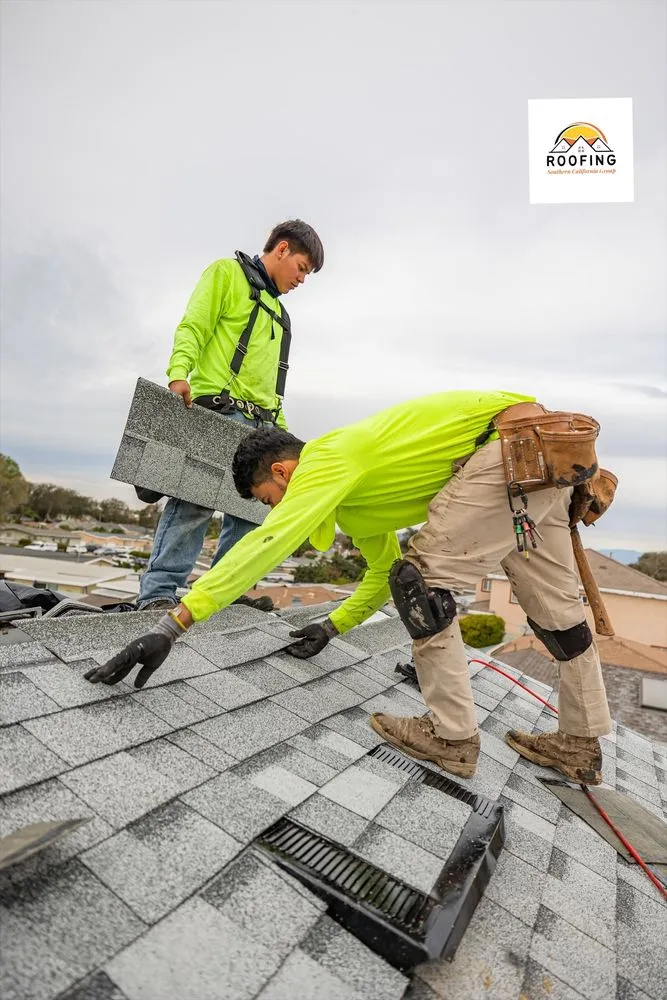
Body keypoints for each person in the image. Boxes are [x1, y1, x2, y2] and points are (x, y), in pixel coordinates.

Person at [88, 389, 612, 785]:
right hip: (540, 460)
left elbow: (271, 541)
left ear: (282, 470)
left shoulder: (328, 457)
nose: (272, 508)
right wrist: (332, 626)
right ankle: (579, 743)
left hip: (509, 452)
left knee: (424, 585)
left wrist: (175, 622)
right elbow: (382, 574)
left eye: (267, 496)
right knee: (559, 616)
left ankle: (452, 736)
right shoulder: (362, 498)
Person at [136, 219, 324, 611]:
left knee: (252, 512)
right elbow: (194, 326)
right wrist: (178, 374)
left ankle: (224, 593)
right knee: (195, 502)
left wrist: (287, 440)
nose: (303, 279)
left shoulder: (281, 315)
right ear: (283, 249)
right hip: (220, 411)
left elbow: (273, 387)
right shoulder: (228, 274)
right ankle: (157, 595)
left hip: (263, 425)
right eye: (303, 268)